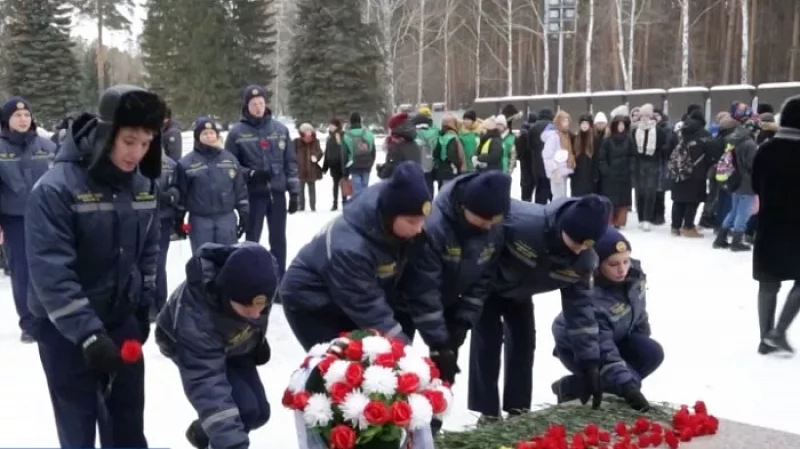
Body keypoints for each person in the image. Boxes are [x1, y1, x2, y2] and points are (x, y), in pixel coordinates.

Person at [25, 85, 165, 448]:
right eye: (129, 141)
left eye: (147, 142)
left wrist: (141, 304)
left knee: (128, 425)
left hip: (119, 319)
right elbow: (51, 272)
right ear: (106, 135)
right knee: (80, 424)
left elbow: (149, 248)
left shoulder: (144, 185)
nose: (137, 153)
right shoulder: (55, 189)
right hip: (65, 329)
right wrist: (86, 332)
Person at [468, 195, 611, 424]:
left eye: (587, 244)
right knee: (487, 342)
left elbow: (580, 310)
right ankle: (487, 411)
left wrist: (590, 362)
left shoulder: (583, 260)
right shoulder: (520, 223)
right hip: (489, 285)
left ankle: (518, 410)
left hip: (521, 292)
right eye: (576, 241)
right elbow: (480, 246)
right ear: (564, 227)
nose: (579, 249)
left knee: (524, 343)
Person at [280, 161, 431, 350]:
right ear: (391, 215)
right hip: (314, 303)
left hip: (356, 295)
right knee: (340, 367)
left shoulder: (400, 204)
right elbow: (368, 308)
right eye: (411, 222)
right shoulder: (350, 247)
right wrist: (404, 351)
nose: (419, 228)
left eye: (423, 220)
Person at [155, 242, 276, 449]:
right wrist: (233, 444)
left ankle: (204, 431)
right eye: (247, 309)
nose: (256, 314)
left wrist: (257, 339)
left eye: (261, 307)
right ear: (227, 295)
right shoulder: (196, 317)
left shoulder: (262, 273)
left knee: (259, 412)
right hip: (188, 343)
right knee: (241, 411)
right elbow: (207, 385)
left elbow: (257, 311)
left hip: (232, 339)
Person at [402, 171, 511, 384]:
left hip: (451, 299)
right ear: (464, 207)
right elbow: (423, 287)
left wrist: (463, 319)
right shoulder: (433, 228)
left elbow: (483, 277)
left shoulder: (493, 227)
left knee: (446, 366)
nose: (488, 226)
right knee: (398, 363)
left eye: (494, 221)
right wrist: (438, 342)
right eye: (483, 220)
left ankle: (438, 410)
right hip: (406, 302)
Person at [552, 229, 661, 412]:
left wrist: (641, 339)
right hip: (581, 348)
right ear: (598, 264)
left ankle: (591, 385)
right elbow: (603, 349)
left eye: (626, 261)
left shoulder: (633, 275)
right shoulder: (592, 298)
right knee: (624, 380)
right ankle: (571, 388)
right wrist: (628, 387)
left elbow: (639, 310)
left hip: (616, 336)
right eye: (613, 264)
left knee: (651, 353)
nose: (622, 269)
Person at [225, 85, 300, 276]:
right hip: (253, 195)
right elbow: (229, 166)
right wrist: (250, 174)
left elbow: (290, 162)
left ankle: (278, 281)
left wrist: (294, 192)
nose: (258, 107)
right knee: (252, 241)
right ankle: (251, 280)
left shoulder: (280, 130)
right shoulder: (237, 133)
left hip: (277, 194)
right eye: (254, 104)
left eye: (261, 103)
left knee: (278, 240)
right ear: (247, 106)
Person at [0, 96, 57, 342]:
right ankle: (29, 322)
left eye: (26, 115)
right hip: (14, 220)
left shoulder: (47, 146)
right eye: (17, 116)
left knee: (50, 267)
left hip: (47, 218)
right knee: (22, 271)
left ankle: (51, 316)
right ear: (7, 120)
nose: (23, 120)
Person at [752, 95, 800, 355]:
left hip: (769, 224)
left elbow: (756, 184)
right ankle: (779, 331)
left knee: (768, 283)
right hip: (797, 228)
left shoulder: (766, 149)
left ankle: (764, 339)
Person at [176, 117, 249, 253]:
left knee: (228, 261)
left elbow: (240, 189)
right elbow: (182, 194)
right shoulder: (186, 163)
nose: (209, 136)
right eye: (204, 133)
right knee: (204, 262)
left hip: (226, 219)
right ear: (197, 137)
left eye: (211, 133)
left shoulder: (230, 159)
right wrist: (179, 219)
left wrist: (244, 213)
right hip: (200, 220)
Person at [713, 118, 759, 251]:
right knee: (743, 213)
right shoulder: (750, 144)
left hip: (734, 180)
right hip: (747, 182)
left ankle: (721, 238)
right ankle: (736, 241)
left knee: (733, 211)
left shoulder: (733, 140)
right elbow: (752, 165)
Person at [154, 138, 181, 318]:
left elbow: (178, 188)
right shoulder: (134, 161)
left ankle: (159, 303)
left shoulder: (171, 165)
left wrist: (170, 196)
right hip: (141, 219)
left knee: (158, 263)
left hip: (163, 219)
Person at [541, 111, 575, 199]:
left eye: (567, 121)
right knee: (557, 196)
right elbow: (547, 155)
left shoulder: (565, 135)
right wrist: (554, 169)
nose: (566, 123)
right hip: (556, 171)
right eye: (564, 121)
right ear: (559, 122)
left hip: (563, 170)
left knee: (562, 196)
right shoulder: (553, 136)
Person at [342, 112, 376, 197]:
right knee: (365, 189)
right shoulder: (369, 134)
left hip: (354, 166)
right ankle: (365, 207)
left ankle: (359, 207)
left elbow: (344, 155)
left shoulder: (346, 136)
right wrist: (370, 164)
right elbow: (373, 152)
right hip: (367, 165)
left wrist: (345, 172)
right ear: (360, 121)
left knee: (357, 191)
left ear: (350, 122)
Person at [377, 113, 421, 179]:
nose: (392, 139)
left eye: (393, 136)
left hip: (400, 185)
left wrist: (381, 172)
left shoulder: (396, 148)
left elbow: (390, 169)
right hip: (414, 183)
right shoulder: (415, 145)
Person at [294, 123, 323, 211]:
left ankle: (313, 207)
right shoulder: (296, 142)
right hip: (300, 170)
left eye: (309, 130)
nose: (308, 132)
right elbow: (291, 154)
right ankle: (301, 206)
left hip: (312, 170)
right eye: (306, 131)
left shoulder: (316, 141)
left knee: (312, 190)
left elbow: (320, 152)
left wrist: (316, 157)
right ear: (302, 132)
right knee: (300, 190)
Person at [322, 118, 346, 210]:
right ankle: (335, 203)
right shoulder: (330, 137)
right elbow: (327, 152)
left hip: (341, 163)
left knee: (342, 184)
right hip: (333, 164)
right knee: (336, 184)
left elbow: (340, 149)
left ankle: (344, 202)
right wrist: (325, 167)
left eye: (331, 126)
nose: (329, 127)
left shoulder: (338, 136)